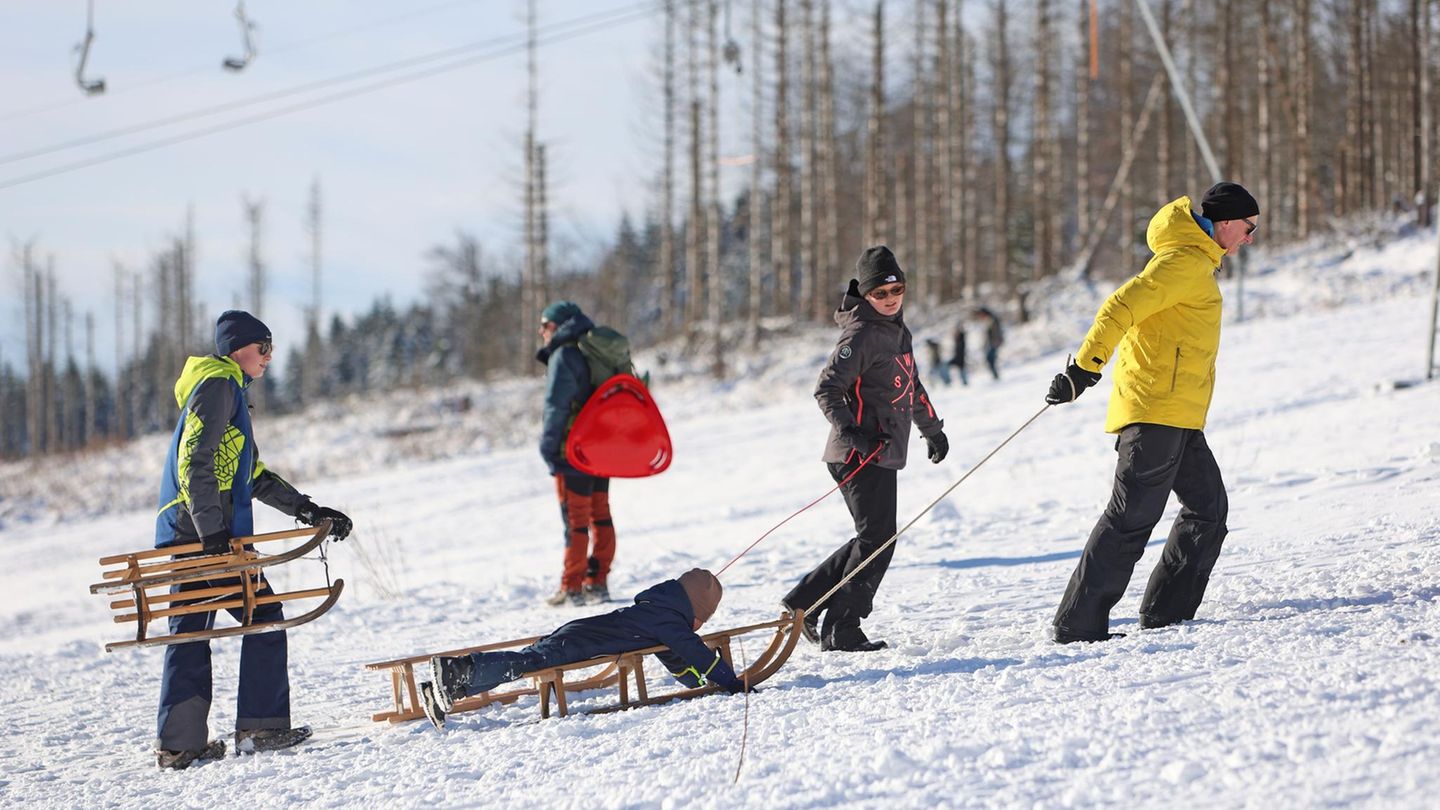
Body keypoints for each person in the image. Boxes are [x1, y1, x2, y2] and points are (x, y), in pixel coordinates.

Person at [1044, 181, 1259, 643]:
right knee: (1131, 518)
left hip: (1179, 414)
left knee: (1208, 510)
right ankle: (1077, 624)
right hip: (1155, 412)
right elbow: (1121, 304)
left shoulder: (1197, 263)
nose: (1250, 237)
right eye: (1248, 227)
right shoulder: (1182, 262)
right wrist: (1085, 368)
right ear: (1225, 224)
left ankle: (1167, 613)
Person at [152, 310, 353, 769]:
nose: (268, 357)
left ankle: (180, 745)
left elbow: (252, 474)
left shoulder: (225, 391)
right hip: (205, 536)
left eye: (271, 349)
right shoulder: (220, 386)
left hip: (195, 533)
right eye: (262, 348)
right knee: (262, 614)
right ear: (238, 349)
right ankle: (260, 728)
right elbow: (194, 463)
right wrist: (213, 535)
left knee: (190, 630)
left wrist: (307, 508)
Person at [781, 246, 949, 652]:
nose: (890, 299)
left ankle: (803, 601)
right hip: (857, 453)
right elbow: (827, 389)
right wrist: (855, 435)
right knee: (878, 539)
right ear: (866, 294)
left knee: (873, 538)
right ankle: (843, 626)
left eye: (897, 289)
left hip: (880, 451)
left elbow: (910, 386)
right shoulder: (860, 335)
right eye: (881, 293)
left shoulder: (896, 330)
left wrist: (932, 429)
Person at [424, 569, 746, 728]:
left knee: (530, 659)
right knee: (530, 663)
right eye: (702, 620)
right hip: (579, 642)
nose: (698, 628)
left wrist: (700, 681)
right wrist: (731, 681)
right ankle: (456, 670)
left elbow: (680, 661)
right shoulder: (669, 622)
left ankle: (445, 690)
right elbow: (693, 651)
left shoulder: (659, 614)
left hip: (580, 631)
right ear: (694, 611)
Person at [536, 300, 618, 607]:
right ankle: (598, 583)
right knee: (601, 515)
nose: (541, 331)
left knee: (575, 520)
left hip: (573, 451)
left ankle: (571, 587)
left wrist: (548, 446)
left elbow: (557, 406)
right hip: (603, 448)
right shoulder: (595, 350)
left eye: (544, 325)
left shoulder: (564, 355)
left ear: (556, 326)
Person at [977, 306, 1004, 380]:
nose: (980, 316)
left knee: (990, 358)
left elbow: (997, 331)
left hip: (994, 342)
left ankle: (996, 376)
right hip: (990, 343)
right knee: (989, 359)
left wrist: (997, 340)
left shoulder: (992, 320)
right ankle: (995, 375)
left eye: (981, 314)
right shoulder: (986, 321)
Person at [948, 320, 969, 386]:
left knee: (962, 368)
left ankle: (964, 382)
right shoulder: (958, 337)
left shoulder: (961, 336)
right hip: (958, 355)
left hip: (960, 355)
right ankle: (964, 382)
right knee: (961, 368)